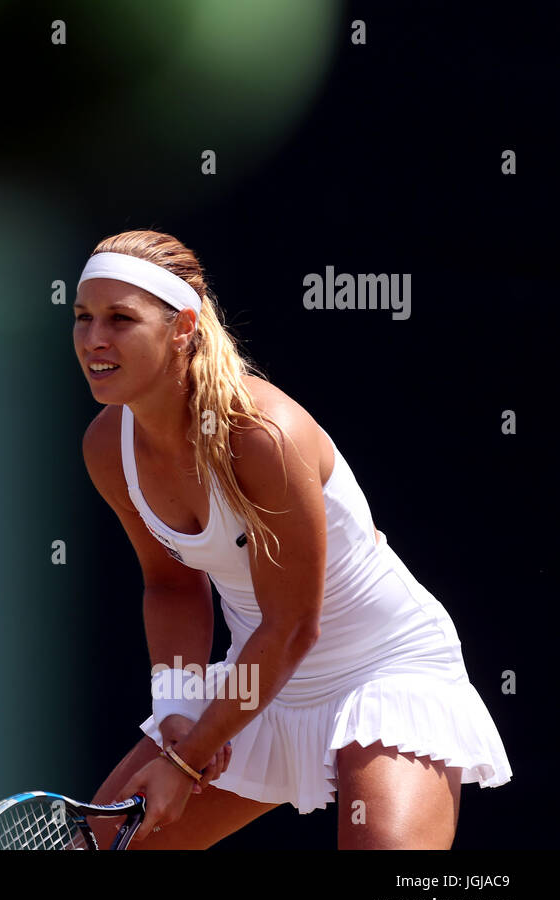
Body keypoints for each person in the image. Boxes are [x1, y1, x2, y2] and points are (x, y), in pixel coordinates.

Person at [75, 230, 511, 849]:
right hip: (259, 679)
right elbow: (170, 583)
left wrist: (185, 760)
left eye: (121, 318)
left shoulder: (263, 437)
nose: (94, 339)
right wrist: (177, 708)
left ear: (183, 328)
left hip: (381, 668)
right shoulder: (107, 448)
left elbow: (291, 626)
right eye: (83, 318)